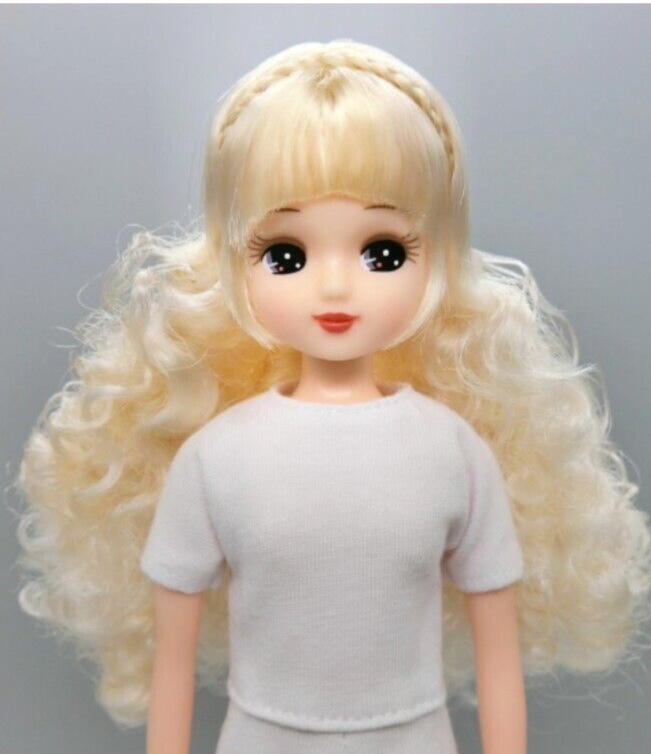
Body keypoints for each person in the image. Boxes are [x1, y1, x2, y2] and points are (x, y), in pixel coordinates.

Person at [14, 39, 651, 754]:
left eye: (383, 252)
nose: (337, 286)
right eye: (285, 255)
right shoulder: (215, 458)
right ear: (229, 264)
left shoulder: (454, 452)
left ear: (439, 258)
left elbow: (497, 657)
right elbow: (172, 663)